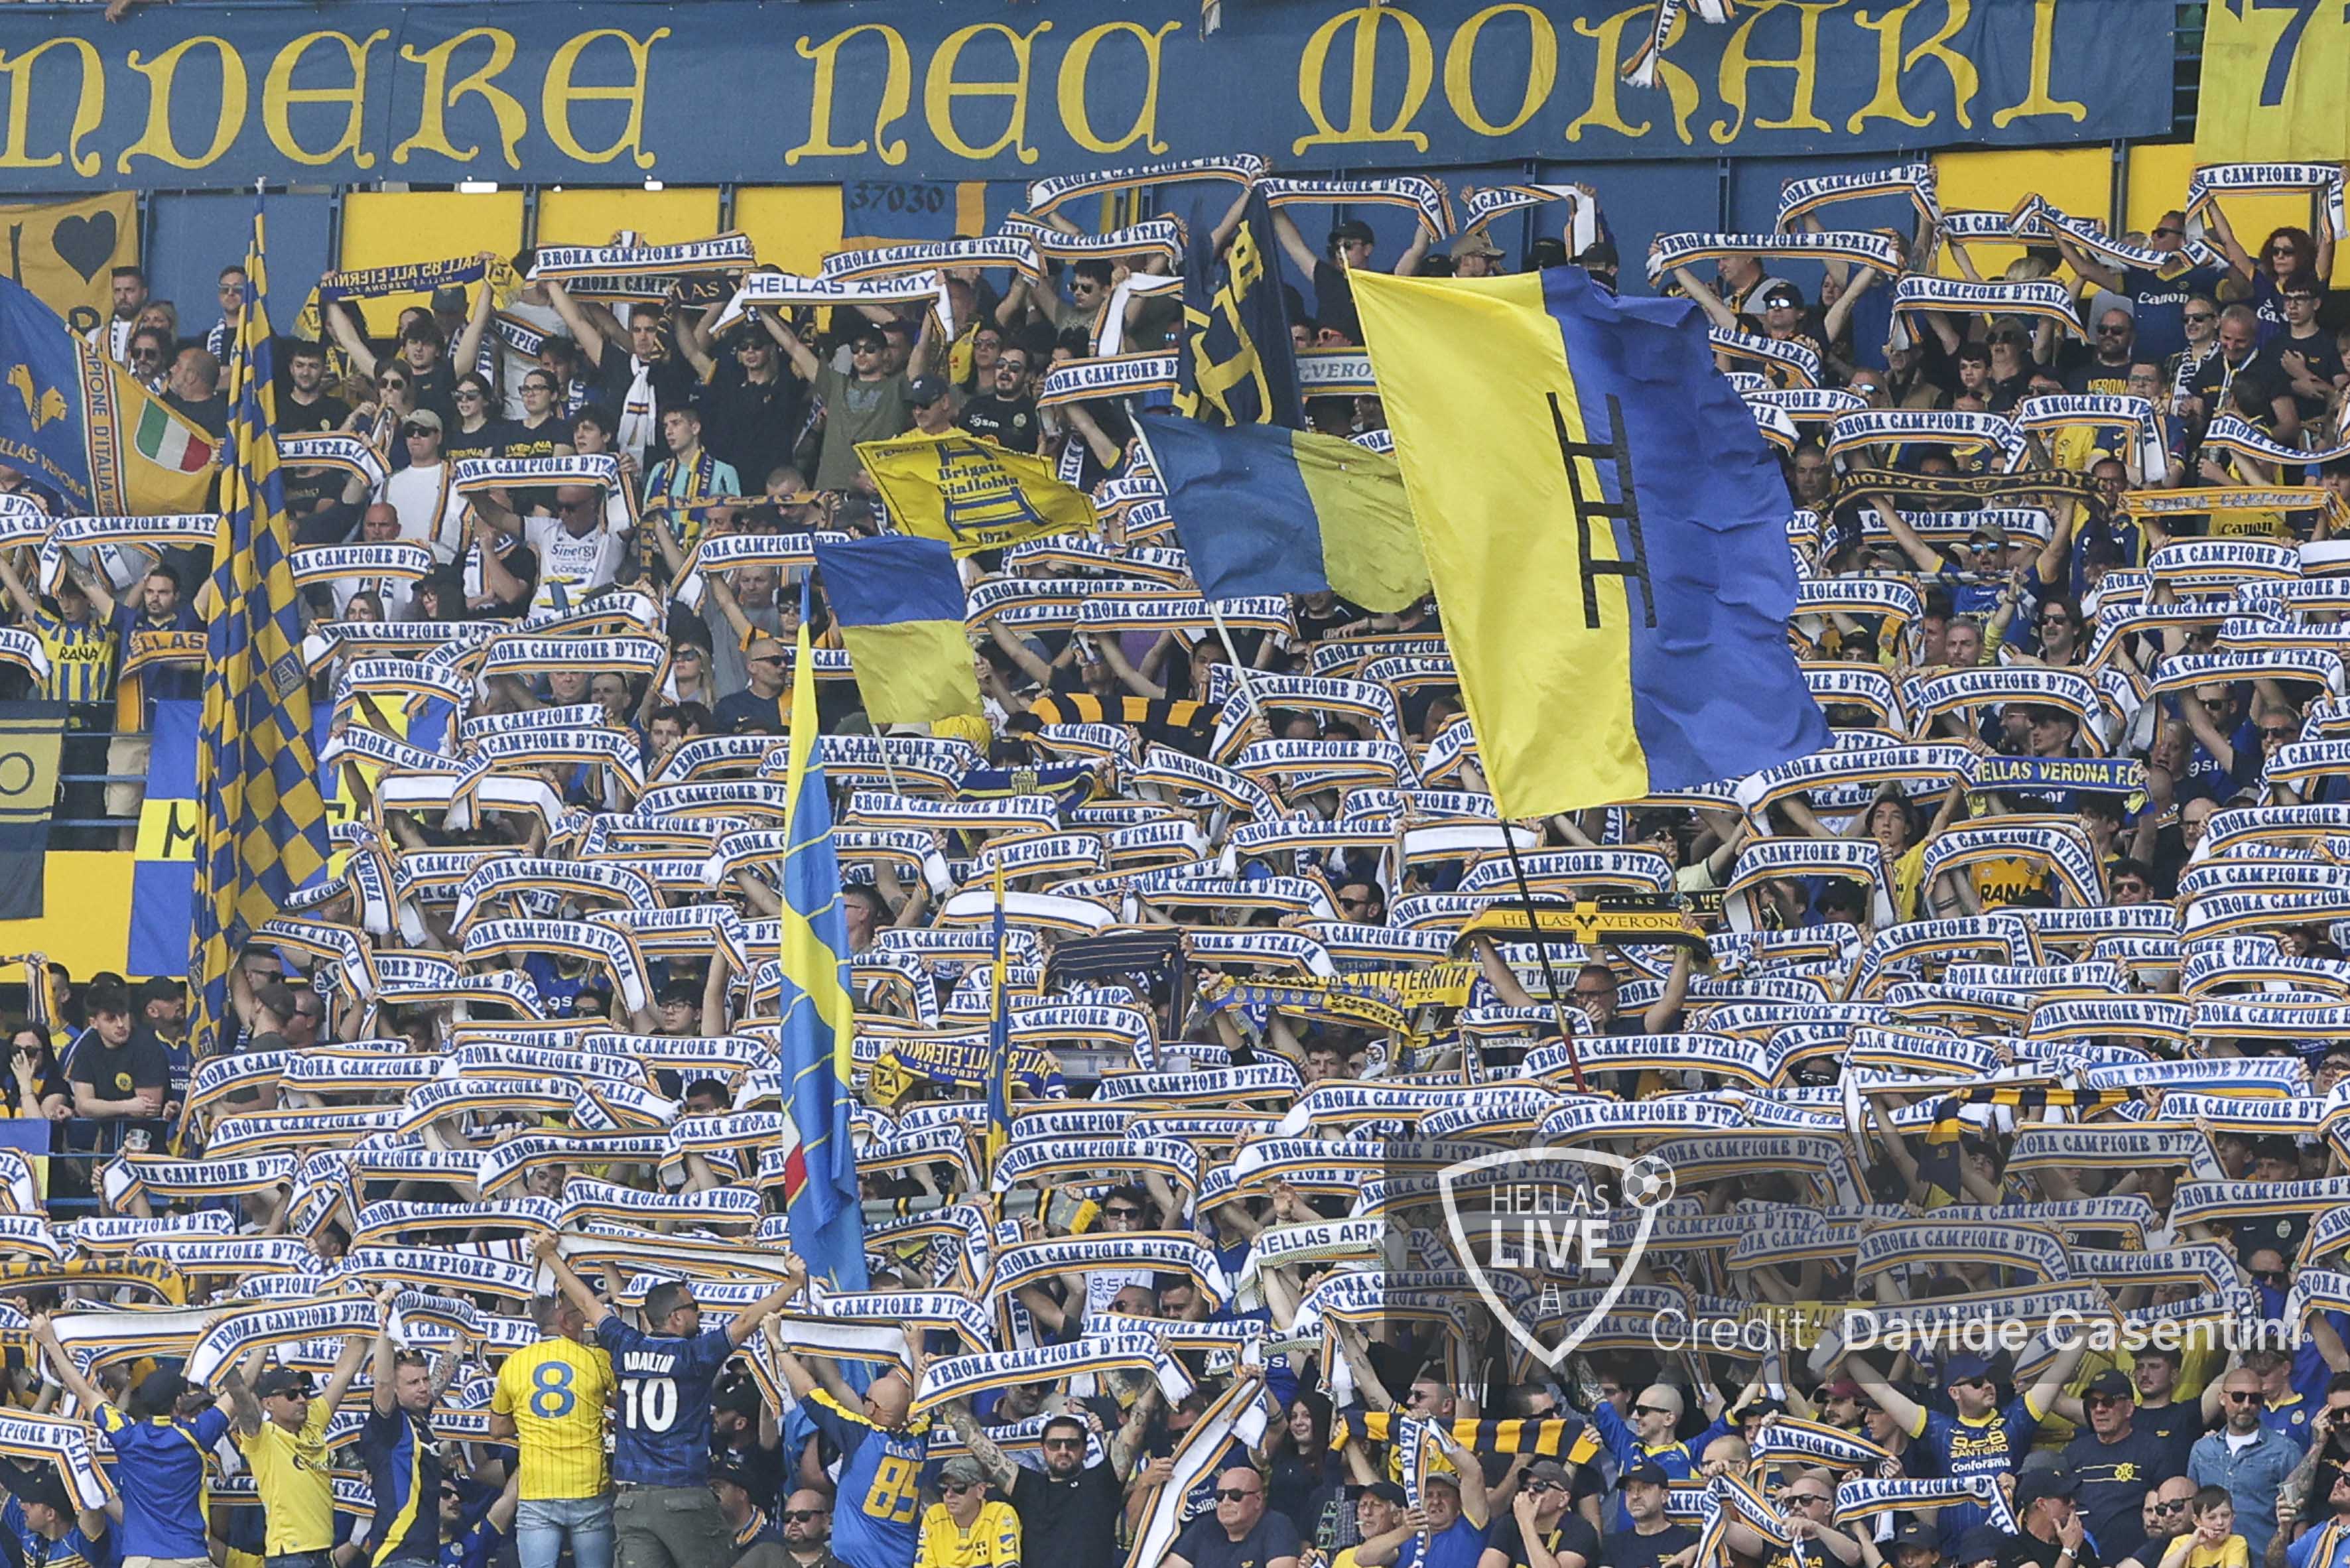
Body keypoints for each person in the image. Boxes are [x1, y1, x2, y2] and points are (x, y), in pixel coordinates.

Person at [537, 1236, 805, 1568]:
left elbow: (586, 1302)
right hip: (683, 1495)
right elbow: (747, 1320)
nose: (700, 1314)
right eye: (694, 1308)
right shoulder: (695, 1355)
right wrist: (792, 1284)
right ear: (676, 1317)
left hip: (631, 1500)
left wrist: (550, 1256)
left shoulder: (624, 1344)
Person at [33, 1314, 224, 1568]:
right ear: (179, 1401)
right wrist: (231, 1339)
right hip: (187, 1558)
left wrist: (52, 1345)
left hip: (138, 1561)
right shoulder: (198, 1434)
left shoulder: (127, 1434)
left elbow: (85, 1393)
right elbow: (238, 1395)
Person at [223, 1331, 374, 1568]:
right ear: (268, 1403)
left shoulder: (313, 1421)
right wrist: (240, 1347)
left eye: (304, 1392)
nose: (302, 1399)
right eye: (291, 1395)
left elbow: (344, 1373)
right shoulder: (262, 1438)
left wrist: (366, 1324)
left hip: (323, 1555)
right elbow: (240, 1392)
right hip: (290, 1557)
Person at [490, 1289, 618, 1568]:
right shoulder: (597, 1359)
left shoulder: (514, 1363)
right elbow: (628, 1405)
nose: (585, 1321)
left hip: (537, 1488)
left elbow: (497, 1428)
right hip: (588, 1485)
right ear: (564, 1320)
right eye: (580, 1315)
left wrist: (531, 1419)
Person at [942, 1405, 1147, 1566]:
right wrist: (945, 1395)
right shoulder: (1028, 1486)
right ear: (1043, 1449)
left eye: (1072, 1444)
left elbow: (1136, 1428)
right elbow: (977, 1441)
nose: (1063, 1451)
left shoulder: (1101, 1482)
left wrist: (1157, 1371)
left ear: (1085, 1449)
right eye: (1055, 1444)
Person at [360, 1298, 448, 1568]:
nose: (423, 1387)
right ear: (396, 1390)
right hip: (398, 1555)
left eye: (425, 1379)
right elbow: (383, 1383)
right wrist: (386, 1326)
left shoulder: (421, 1418)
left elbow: (446, 1371)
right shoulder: (391, 1425)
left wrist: (464, 1325)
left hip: (425, 1556)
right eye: (413, 1383)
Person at [2194, 1370, 2304, 1560]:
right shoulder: (2202, 1449)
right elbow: (2192, 1509)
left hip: (2263, 1560)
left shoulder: (2286, 1450)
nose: (2246, 1405)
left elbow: (2299, 1517)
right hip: (2209, 1560)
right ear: (2222, 1398)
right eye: (2238, 1397)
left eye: (2255, 1399)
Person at [1163, 1467, 1301, 1568]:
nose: (1225, 1502)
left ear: (1258, 1500)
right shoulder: (1205, 1527)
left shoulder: (1277, 1526)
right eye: (1220, 1496)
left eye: (1235, 1495)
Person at [1476, 1459, 1598, 1568]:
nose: (1530, 1491)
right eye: (1526, 1486)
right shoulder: (1509, 1524)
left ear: (1563, 1499)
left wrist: (1526, 1523)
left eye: (1540, 1486)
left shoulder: (1580, 1529)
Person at [912, 1458, 1019, 1568]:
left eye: (959, 1487)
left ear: (980, 1490)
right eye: (944, 1487)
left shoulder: (1000, 1514)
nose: (949, 1494)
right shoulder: (934, 1516)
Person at [1597, 1465, 1696, 1568]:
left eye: (1645, 1488)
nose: (1635, 1496)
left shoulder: (1688, 1541)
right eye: (1629, 1489)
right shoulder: (1613, 1545)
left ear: (1664, 1496)